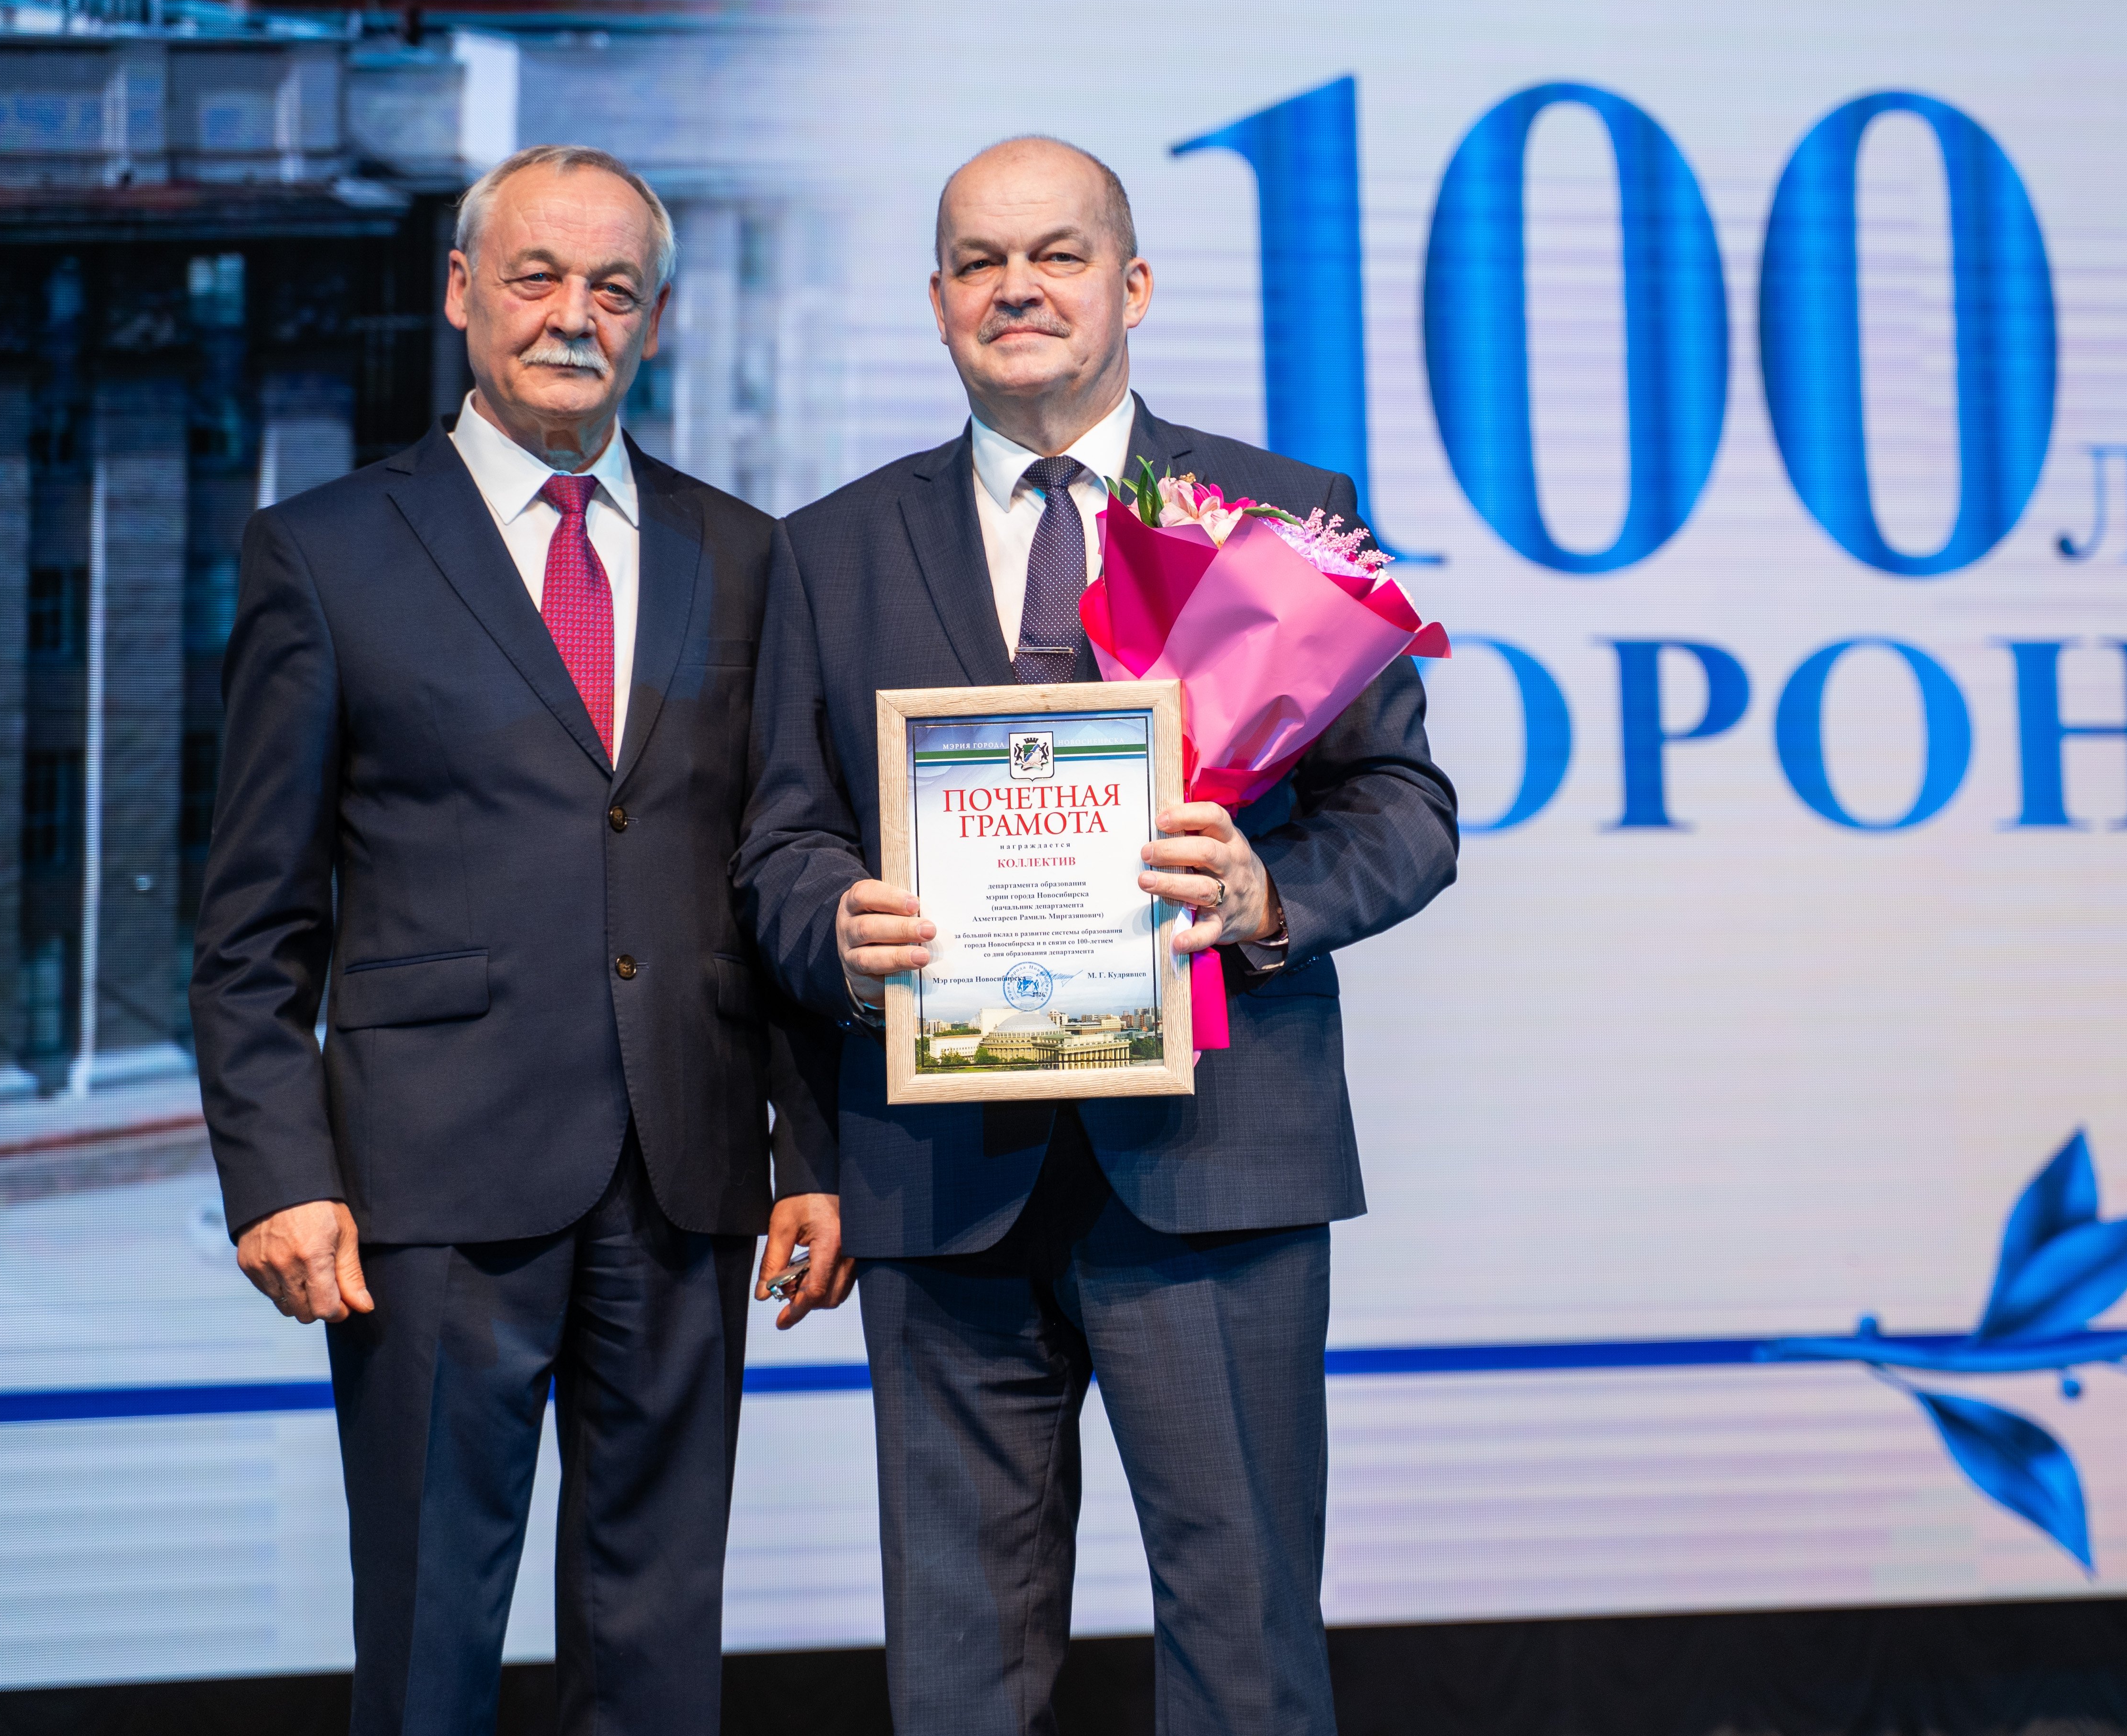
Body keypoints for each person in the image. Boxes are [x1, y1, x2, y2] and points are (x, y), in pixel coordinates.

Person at [737, 135, 1459, 1735]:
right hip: (940, 1176)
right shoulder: (828, 548)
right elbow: (779, 840)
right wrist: (834, 924)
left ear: (1131, 285)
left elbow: (1407, 811)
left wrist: (1268, 897)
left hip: (1215, 1161)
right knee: (958, 1672)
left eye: (1057, 255)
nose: (1019, 289)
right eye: (981, 262)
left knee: (1247, 1640)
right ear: (937, 300)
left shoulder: (1281, 514)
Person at [191, 143, 850, 1736]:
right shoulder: (323, 551)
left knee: (660, 1652)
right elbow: (255, 915)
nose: (575, 316)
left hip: (688, 1175)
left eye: (614, 288)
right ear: (461, 292)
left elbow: (778, 867)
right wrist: (276, 1171)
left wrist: (813, 1149)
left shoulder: (748, 555)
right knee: (430, 1644)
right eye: (538, 277)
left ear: (656, 320)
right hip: (428, 1186)